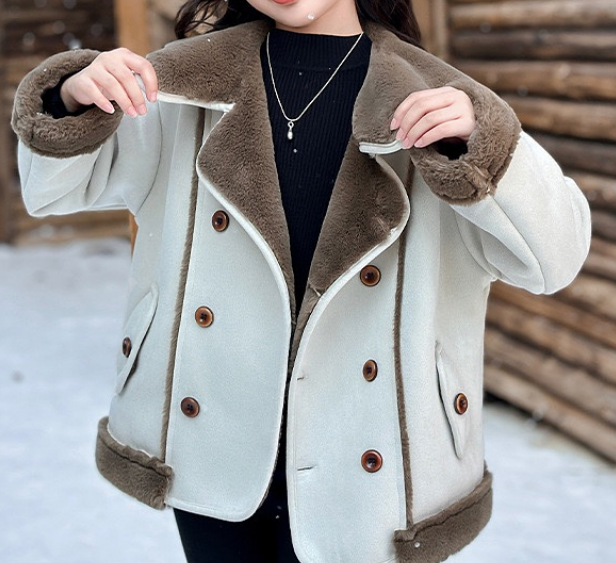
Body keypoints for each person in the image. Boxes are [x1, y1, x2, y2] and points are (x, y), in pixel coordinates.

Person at [12, 1, 591, 562]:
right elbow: (53, 192)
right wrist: (71, 98)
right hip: (213, 437)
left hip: (377, 459)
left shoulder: (436, 103)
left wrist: (485, 148)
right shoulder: (176, 86)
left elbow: (555, 259)